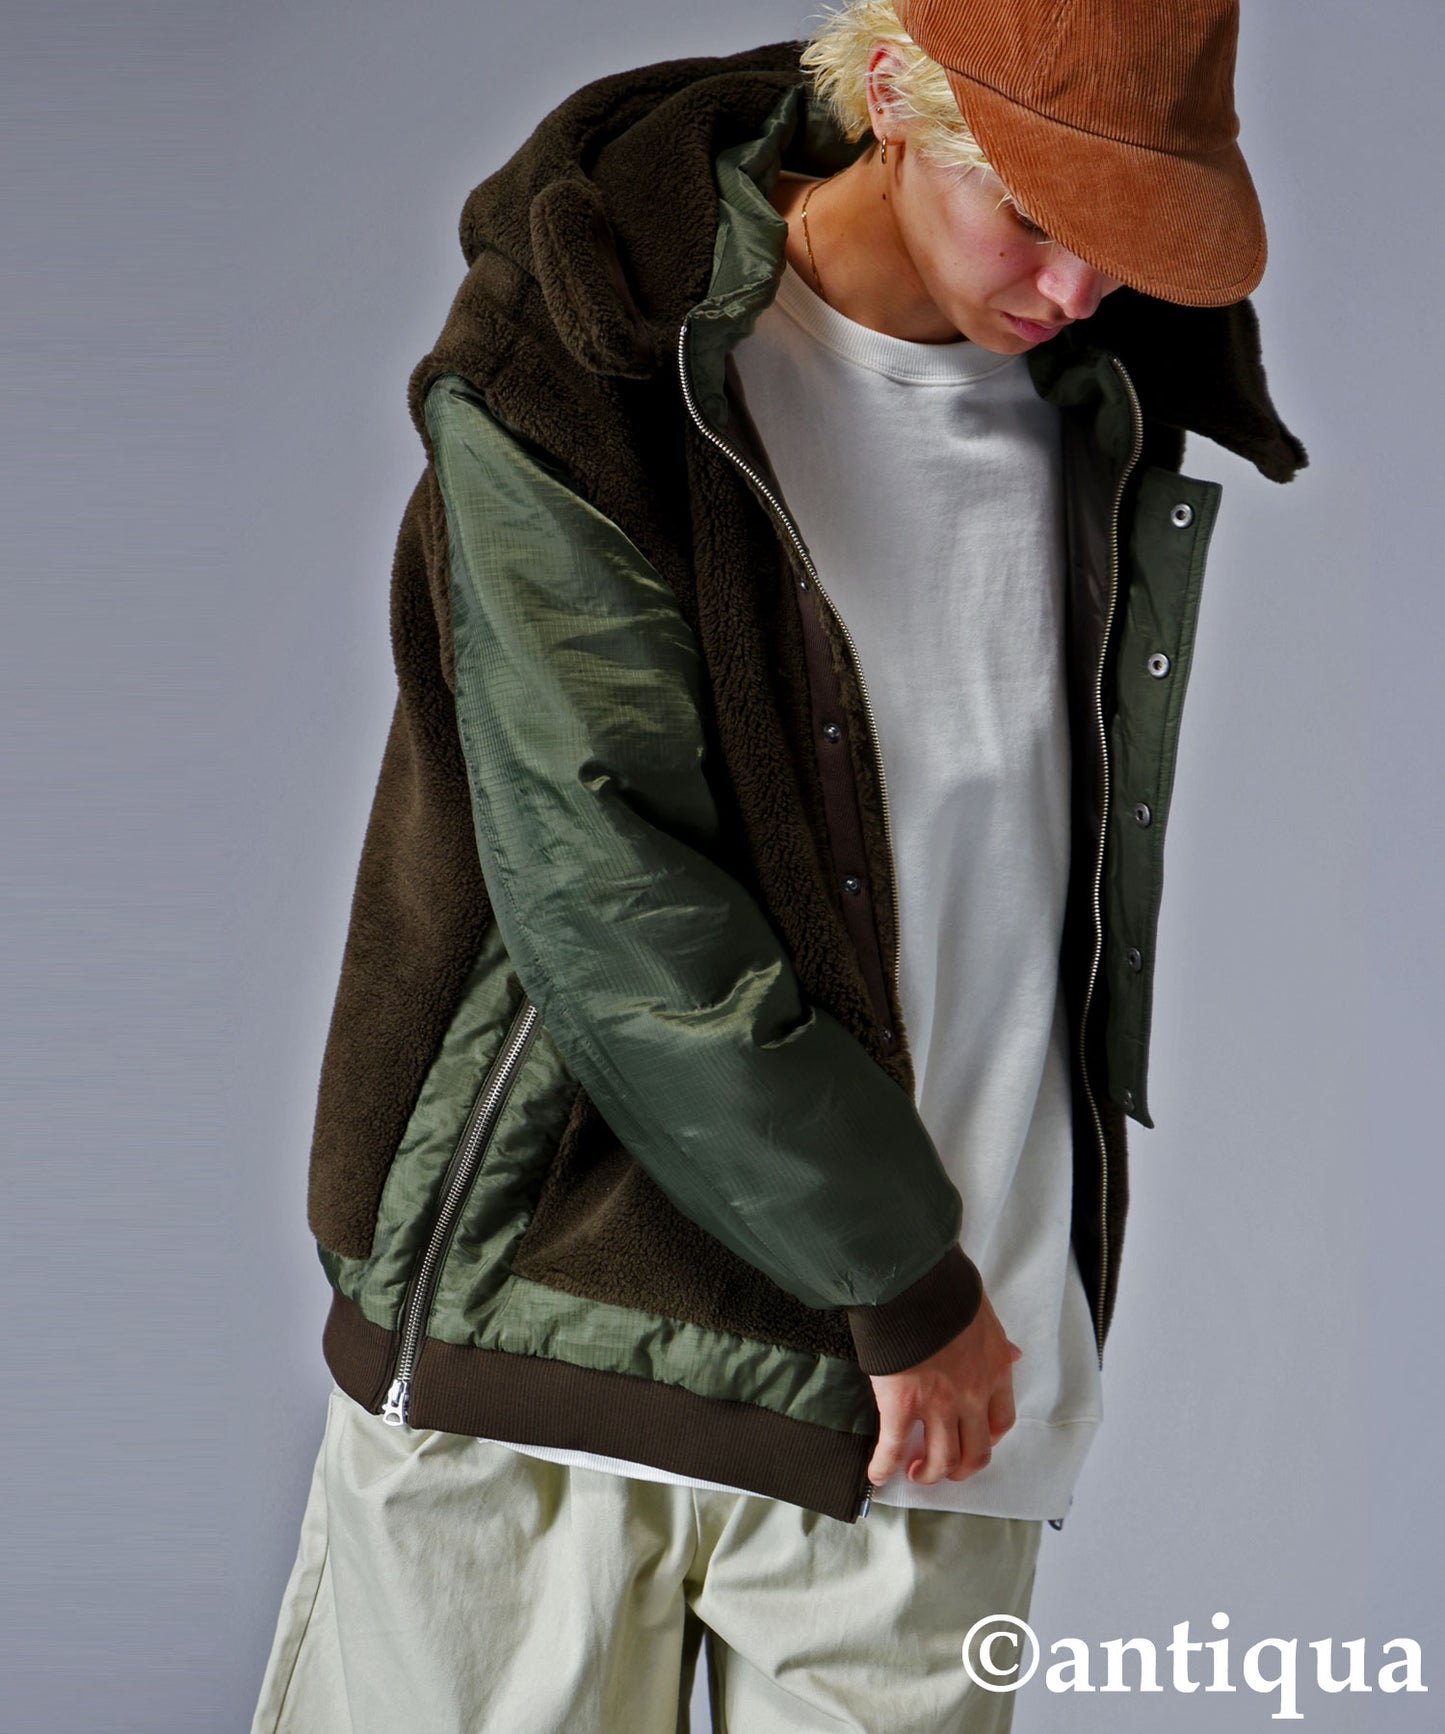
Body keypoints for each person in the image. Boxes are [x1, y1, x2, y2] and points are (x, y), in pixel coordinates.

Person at [251, 2, 1306, 1729]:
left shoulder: (1095, 405)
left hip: (940, 1404)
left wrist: (961, 1306)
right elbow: (607, 886)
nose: (1072, 285)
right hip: (565, 1340)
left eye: (1121, 233)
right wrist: (898, 1277)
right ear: (890, 90)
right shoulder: (590, 356)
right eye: (1030, 213)